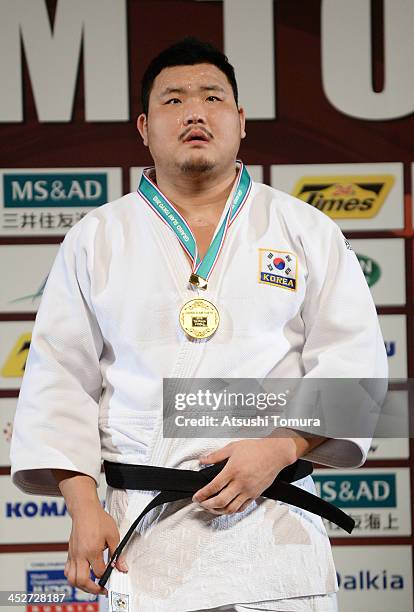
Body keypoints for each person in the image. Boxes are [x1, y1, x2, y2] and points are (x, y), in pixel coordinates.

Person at [10, 37, 387, 612]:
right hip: (141, 530)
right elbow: (59, 382)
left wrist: (282, 447)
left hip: (275, 529)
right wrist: (83, 509)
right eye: (173, 100)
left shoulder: (305, 231)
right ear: (143, 126)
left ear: (239, 121)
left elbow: (357, 368)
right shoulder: (96, 239)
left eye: (212, 98)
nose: (194, 112)